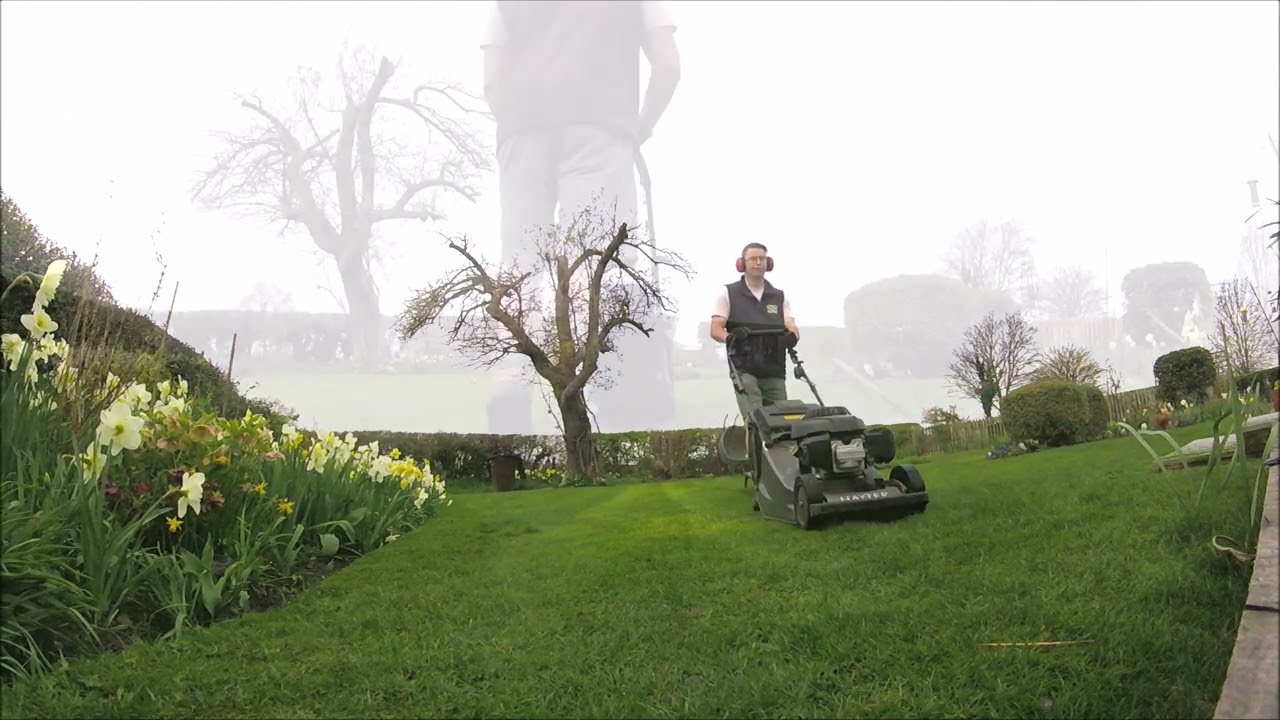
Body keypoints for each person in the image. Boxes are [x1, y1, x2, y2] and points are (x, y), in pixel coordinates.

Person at [479, 0, 682, 434]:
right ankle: (593, 411)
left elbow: (491, 81)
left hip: (521, 128)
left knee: (518, 265)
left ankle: (508, 408)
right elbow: (667, 67)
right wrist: (638, 128)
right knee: (594, 267)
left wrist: (521, 121)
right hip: (601, 125)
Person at [709, 242, 801, 423]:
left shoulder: (779, 296)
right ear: (742, 264)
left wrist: (791, 337)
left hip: (774, 368)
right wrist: (731, 337)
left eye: (762, 259)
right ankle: (755, 450)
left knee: (782, 421)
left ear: (769, 263)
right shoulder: (728, 293)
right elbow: (715, 329)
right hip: (744, 367)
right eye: (753, 259)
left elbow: (791, 326)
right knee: (756, 419)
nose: (758, 262)